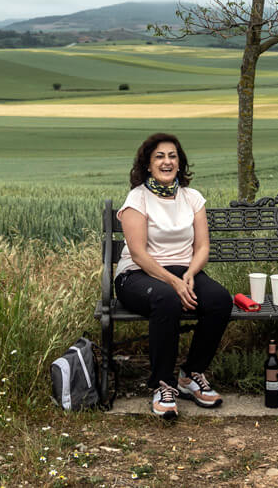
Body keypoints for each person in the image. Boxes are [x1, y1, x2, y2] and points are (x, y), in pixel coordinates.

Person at [114, 132, 232, 419]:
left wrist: (190, 273)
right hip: (138, 275)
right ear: (148, 164)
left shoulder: (192, 198)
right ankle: (161, 385)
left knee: (219, 300)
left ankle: (190, 375)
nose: (167, 161)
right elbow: (139, 254)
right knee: (167, 299)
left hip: (184, 271)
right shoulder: (137, 198)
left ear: (180, 163)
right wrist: (174, 282)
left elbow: (203, 246)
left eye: (172, 156)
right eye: (159, 156)